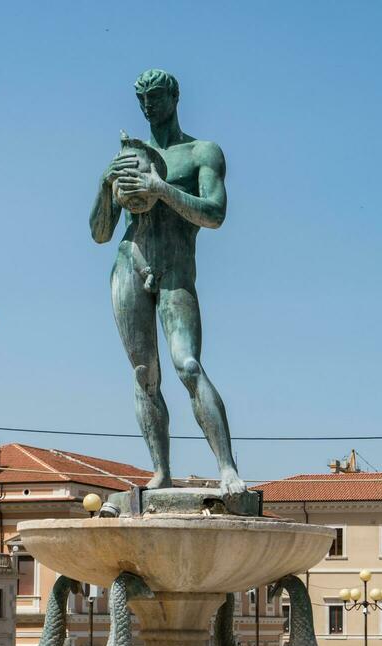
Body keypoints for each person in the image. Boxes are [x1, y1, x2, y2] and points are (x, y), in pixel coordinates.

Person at [90, 68, 244, 493]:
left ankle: (228, 468)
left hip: (176, 269)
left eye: (156, 96)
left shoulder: (201, 152)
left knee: (188, 365)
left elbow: (214, 214)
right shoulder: (127, 157)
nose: (148, 105)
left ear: (175, 98)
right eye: (142, 99)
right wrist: (106, 184)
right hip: (130, 262)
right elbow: (100, 232)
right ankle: (161, 472)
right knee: (144, 374)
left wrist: (162, 189)